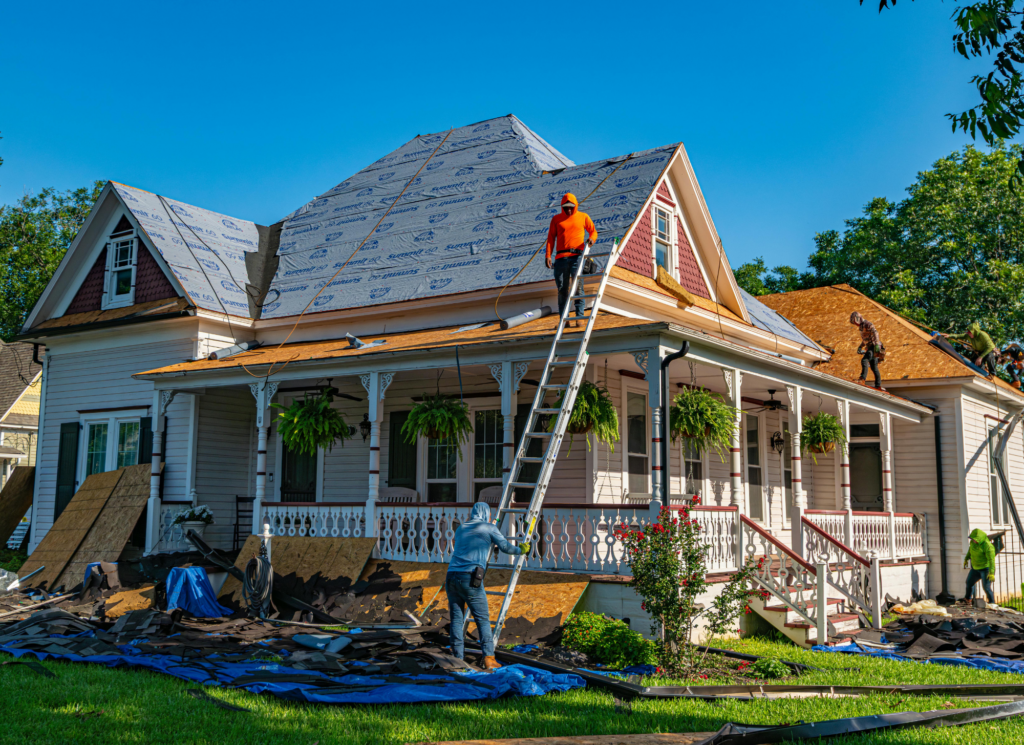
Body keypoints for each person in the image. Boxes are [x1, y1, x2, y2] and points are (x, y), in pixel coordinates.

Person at [445, 502, 530, 669]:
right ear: (486, 514)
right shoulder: (489, 528)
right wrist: (521, 550)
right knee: (482, 620)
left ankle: (457, 659)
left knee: (456, 618)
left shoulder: (462, 528)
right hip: (469, 577)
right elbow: (505, 547)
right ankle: (489, 660)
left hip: (451, 576)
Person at [545, 193, 597, 328]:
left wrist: (591, 240)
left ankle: (579, 317)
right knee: (562, 289)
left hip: (577, 257)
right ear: (562, 207)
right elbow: (551, 238)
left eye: (571, 208)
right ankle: (564, 320)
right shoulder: (556, 219)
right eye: (566, 207)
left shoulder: (583, 217)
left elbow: (593, 231)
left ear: (575, 206)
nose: (568, 210)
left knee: (578, 287)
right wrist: (548, 255)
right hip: (561, 259)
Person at [962, 528, 996, 604]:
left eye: (976, 539)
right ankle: (967, 599)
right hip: (975, 568)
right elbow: (970, 550)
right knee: (969, 583)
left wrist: (991, 572)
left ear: (980, 538)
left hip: (985, 569)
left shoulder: (988, 546)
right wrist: (966, 558)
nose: (974, 541)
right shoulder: (972, 543)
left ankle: (992, 603)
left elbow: (991, 560)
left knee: (986, 587)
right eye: (973, 539)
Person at [850, 312, 884, 390]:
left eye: (855, 322)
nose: (855, 324)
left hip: (873, 346)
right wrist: (860, 346)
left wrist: (876, 345)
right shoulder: (861, 327)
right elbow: (865, 339)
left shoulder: (867, 324)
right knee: (874, 367)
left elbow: (875, 333)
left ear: (859, 318)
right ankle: (878, 385)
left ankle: (862, 379)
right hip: (870, 346)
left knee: (864, 360)